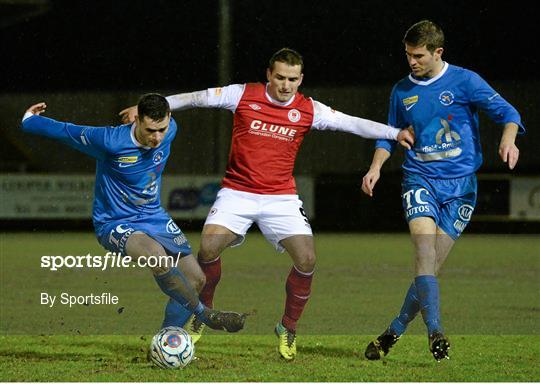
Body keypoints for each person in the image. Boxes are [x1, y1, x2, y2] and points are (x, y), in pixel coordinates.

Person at [120, 48, 415, 360]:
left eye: (292, 79)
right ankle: (202, 311)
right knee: (208, 248)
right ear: (268, 74)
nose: (285, 85)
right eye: (279, 77)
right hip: (237, 192)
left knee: (307, 259)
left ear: (301, 79)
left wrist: (394, 133)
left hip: (281, 197)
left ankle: (288, 327)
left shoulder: (308, 109)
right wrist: (150, 109)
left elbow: (351, 123)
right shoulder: (242, 95)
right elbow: (197, 98)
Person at [361, 20, 524, 361]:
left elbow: (508, 113)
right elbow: (387, 135)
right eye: (408, 55)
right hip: (419, 180)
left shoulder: (465, 81)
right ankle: (436, 333)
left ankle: (392, 333)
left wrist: (508, 138)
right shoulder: (401, 91)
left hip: (462, 189)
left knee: (430, 270)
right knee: (424, 254)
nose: (412, 62)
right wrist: (376, 166)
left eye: (418, 55)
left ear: (438, 52)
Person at [21, 94, 247, 336]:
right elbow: (67, 132)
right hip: (115, 222)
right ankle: (205, 315)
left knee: (195, 280)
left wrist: (146, 118)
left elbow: (171, 115)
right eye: (150, 130)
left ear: (169, 119)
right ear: (138, 121)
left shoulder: (171, 129)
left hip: (154, 216)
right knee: (157, 257)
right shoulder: (110, 141)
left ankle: (166, 340)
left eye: (161, 129)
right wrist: (29, 120)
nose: (157, 137)